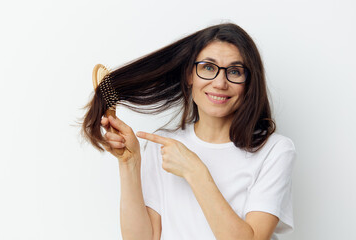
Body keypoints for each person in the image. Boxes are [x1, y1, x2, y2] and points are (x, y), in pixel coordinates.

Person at [82, 23, 296, 240]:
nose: (220, 83)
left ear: (249, 83)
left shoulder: (275, 150)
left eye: (234, 71)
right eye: (208, 68)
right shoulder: (163, 145)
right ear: (189, 75)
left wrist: (195, 171)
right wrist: (129, 164)